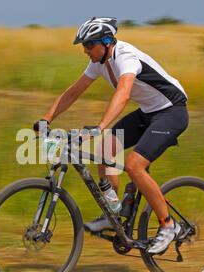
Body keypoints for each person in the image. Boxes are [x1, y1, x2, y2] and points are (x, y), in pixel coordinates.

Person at [33, 17, 189, 254]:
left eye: (88, 45)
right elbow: (73, 92)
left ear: (106, 42)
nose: (85, 50)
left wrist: (100, 126)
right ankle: (113, 214)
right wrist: (46, 119)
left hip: (172, 111)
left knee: (134, 166)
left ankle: (169, 226)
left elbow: (123, 94)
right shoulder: (98, 61)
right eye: (83, 45)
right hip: (148, 112)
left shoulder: (126, 57)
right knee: (105, 150)